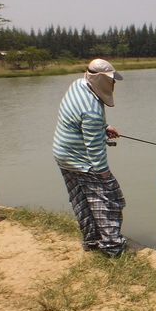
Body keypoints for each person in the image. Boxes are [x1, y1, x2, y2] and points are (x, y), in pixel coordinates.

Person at [53, 59, 127, 256]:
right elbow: (94, 150)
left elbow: (78, 117)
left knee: (81, 200)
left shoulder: (78, 85)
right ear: (101, 80)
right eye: (111, 80)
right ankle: (112, 247)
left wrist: (104, 127)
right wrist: (103, 174)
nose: (114, 83)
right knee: (109, 200)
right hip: (80, 159)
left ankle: (92, 240)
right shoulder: (92, 111)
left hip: (62, 154)